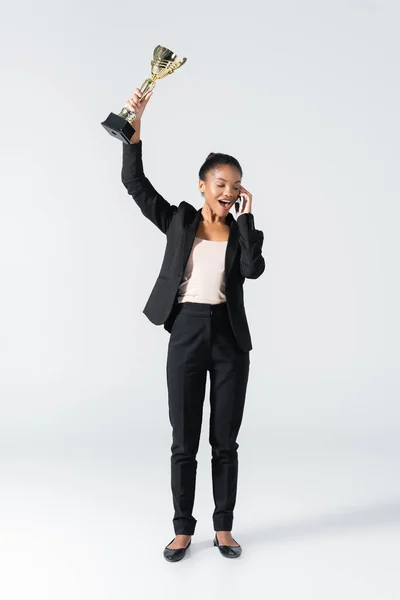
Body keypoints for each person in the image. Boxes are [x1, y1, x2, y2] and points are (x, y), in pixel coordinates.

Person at [120, 88, 265, 561]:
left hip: (228, 337)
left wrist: (247, 223)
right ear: (202, 184)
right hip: (185, 330)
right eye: (220, 183)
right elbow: (136, 185)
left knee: (225, 440)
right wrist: (133, 136)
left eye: (235, 185)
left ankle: (223, 527)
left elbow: (252, 270)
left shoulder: (244, 231)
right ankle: (183, 528)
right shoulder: (179, 221)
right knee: (184, 439)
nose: (228, 191)